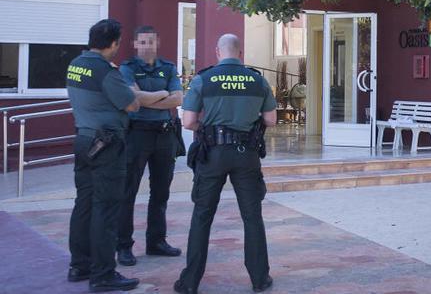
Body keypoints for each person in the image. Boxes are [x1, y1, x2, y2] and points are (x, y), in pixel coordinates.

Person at [66, 19, 168, 292]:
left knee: (84, 204)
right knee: (107, 208)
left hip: (83, 140)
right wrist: (161, 93)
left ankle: (79, 265)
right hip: (107, 145)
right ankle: (103, 274)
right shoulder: (105, 71)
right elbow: (132, 103)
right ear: (113, 44)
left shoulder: (76, 64)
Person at [174, 34, 277, 294]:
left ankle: (190, 282)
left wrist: (209, 129)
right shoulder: (257, 80)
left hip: (213, 154)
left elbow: (187, 122)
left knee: (202, 216)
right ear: (239, 53)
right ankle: (259, 278)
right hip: (247, 155)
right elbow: (271, 120)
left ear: (218, 52)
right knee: (252, 217)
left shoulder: (203, 79)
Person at [116, 26, 184, 266]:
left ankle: (156, 242)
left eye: (151, 42)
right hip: (137, 135)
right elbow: (133, 99)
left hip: (164, 136)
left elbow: (178, 99)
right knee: (128, 192)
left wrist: (147, 97)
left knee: (161, 192)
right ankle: (123, 246)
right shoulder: (127, 68)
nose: (147, 46)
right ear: (135, 44)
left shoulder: (168, 67)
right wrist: (163, 94)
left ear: (157, 42)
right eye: (142, 42)